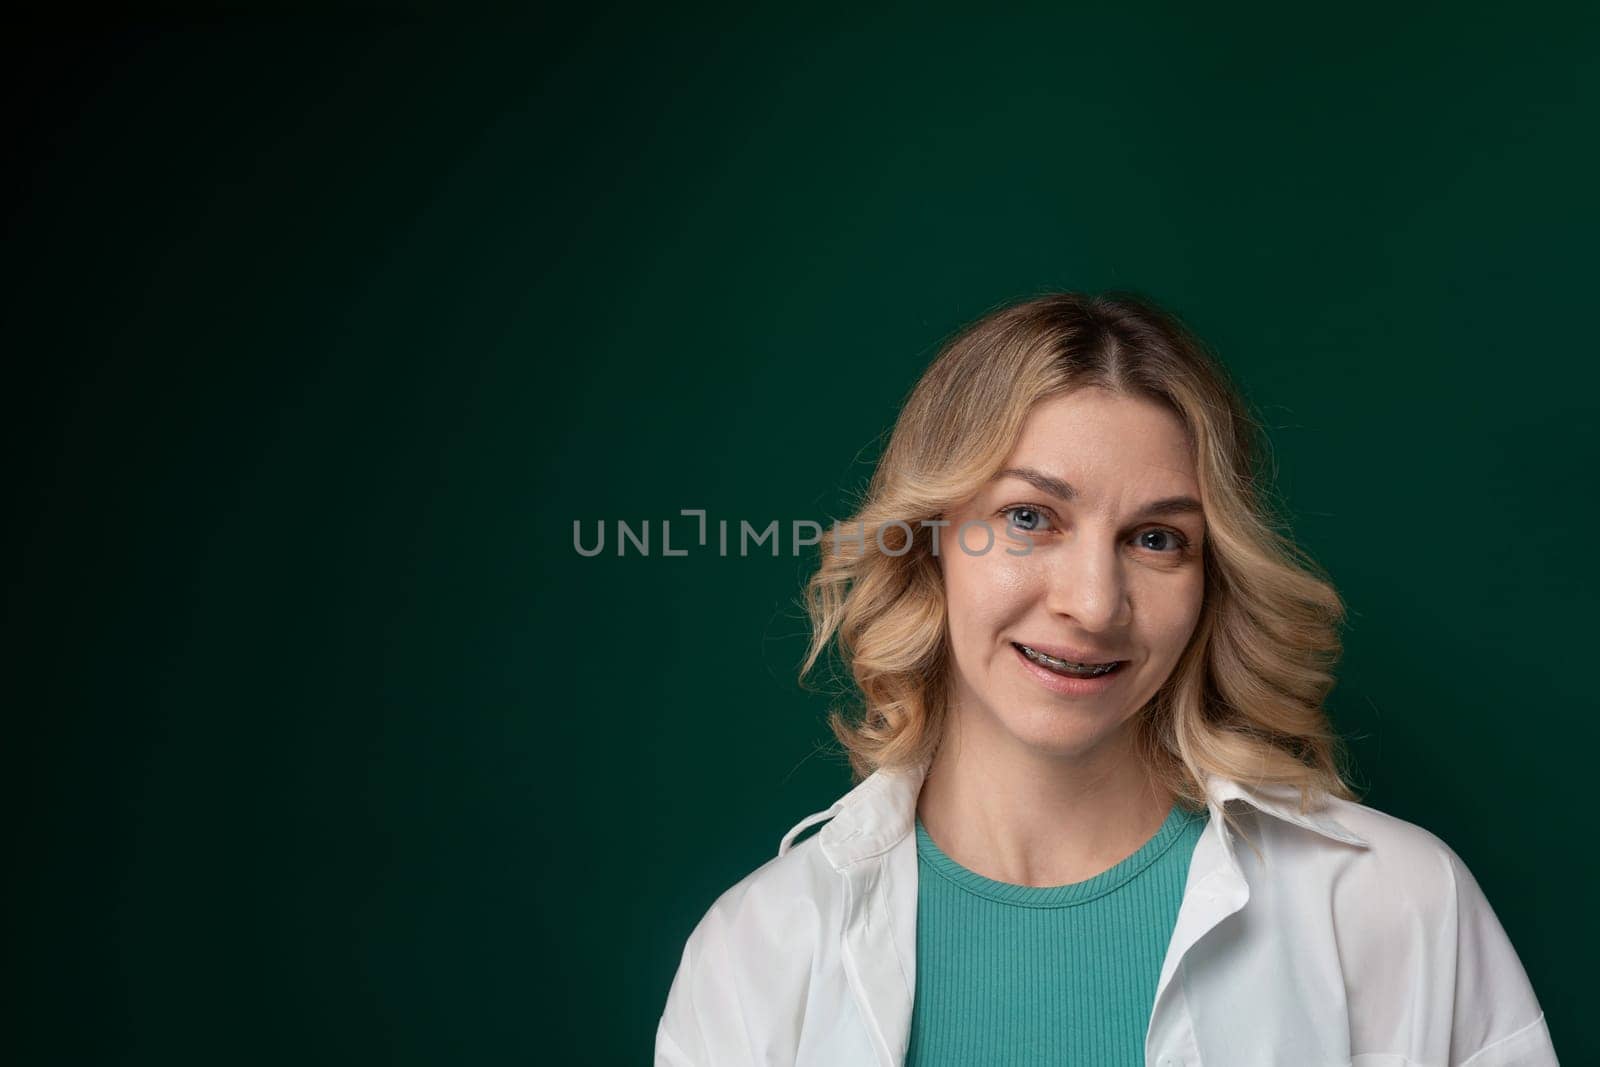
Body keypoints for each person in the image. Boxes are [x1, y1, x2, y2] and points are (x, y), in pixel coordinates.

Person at [654, 291, 1558, 1066]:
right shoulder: (755, 954)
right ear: (928, 546)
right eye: (1029, 517)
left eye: (1158, 538)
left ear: (1212, 579)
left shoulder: (1395, 905)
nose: (1093, 603)